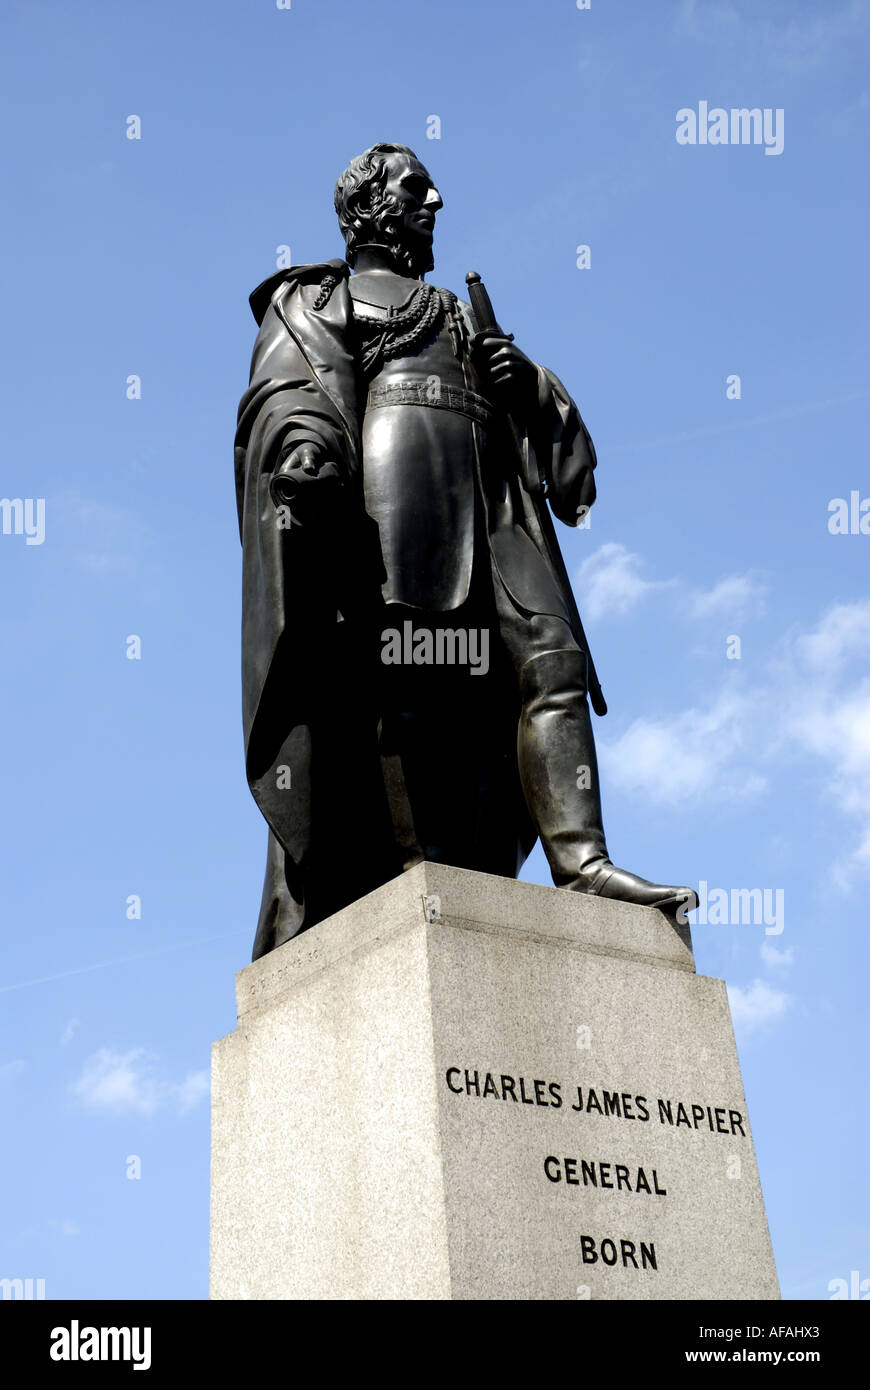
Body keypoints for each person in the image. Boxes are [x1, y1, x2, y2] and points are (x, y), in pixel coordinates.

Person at [235, 143, 696, 959]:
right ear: (368, 206)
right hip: (395, 496)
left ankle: (583, 861)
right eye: (416, 187)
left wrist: (523, 383)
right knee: (413, 675)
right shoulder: (317, 297)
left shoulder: (453, 307)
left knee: (550, 656)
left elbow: (551, 429)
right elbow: (288, 394)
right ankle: (418, 868)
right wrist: (304, 452)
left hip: (495, 504)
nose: (436, 199)